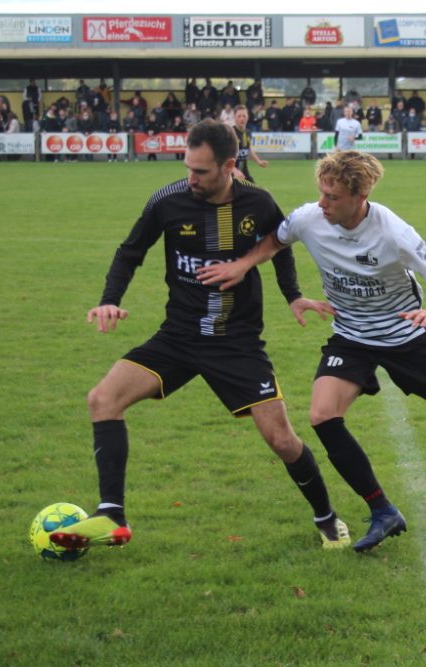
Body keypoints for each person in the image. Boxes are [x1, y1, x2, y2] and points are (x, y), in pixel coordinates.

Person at [195, 151, 426, 552]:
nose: (322, 204)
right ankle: (382, 510)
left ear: (360, 195)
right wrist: (244, 265)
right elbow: (276, 240)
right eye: (321, 193)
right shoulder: (310, 218)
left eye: (333, 197)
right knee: (322, 415)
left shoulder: (393, 232)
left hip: (406, 335)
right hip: (352, 336)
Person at [48, 120, 349, 553]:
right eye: (187, 167)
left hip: (236, 344)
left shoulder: (257, 202)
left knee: (282, 439)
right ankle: (112, 514)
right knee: (102, 399)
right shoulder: (168, 201)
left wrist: (294, 295)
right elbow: (130, 251)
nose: (191, 178)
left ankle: (326, 518)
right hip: (179, 336)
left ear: (229, 166)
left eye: (202, 171)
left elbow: (279, 243)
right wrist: (109, 299)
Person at [232, 106, 267, 180]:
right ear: (234, 117)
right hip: (231, 176)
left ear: (247, 117)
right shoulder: (230, 133)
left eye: (244, 116)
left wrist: (259, 162)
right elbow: (223, 158)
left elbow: (249, 150)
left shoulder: (248, 132)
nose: (242, 119)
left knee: (256, 190)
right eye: (239, 116)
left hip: (244, 174)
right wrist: (234, 171)